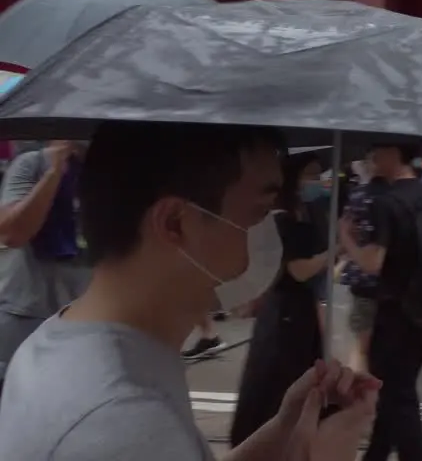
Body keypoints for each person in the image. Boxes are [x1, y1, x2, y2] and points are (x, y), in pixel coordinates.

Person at [0, 121, 378, 460]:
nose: (269, 234)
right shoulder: (121, 421)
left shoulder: (72, 343)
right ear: (175, 223)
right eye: (260, 212)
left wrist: (285, 431)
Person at [339, 142, 422, 461]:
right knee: (396, 386)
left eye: (379, 153)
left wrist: (346, 237)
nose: (372, 160)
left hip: (398, 307)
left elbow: (373, 263)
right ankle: (376, 453)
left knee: (398, 392)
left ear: (396, 155)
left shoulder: (386, 202)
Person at [229, 151, 331, 446]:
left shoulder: (302, 214)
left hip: (294, 311)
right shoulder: (283, 220)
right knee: (278, 383)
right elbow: (298, 271)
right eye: (309, 174)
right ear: (293, 179)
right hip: (286, 314)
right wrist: (335, 251)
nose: (315, 181)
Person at [0, 141, 90, 394]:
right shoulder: (33, 164)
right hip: (25, 314)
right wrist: (53, 174)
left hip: (89, 321)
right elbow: (13, 234)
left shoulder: (114, 173)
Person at [338, 156, 389, 374]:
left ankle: (356, 395)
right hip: (395, 282)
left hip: (363, 280)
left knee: (361, 348)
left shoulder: (359, 196)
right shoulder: (396, 196)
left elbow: (346, 230)